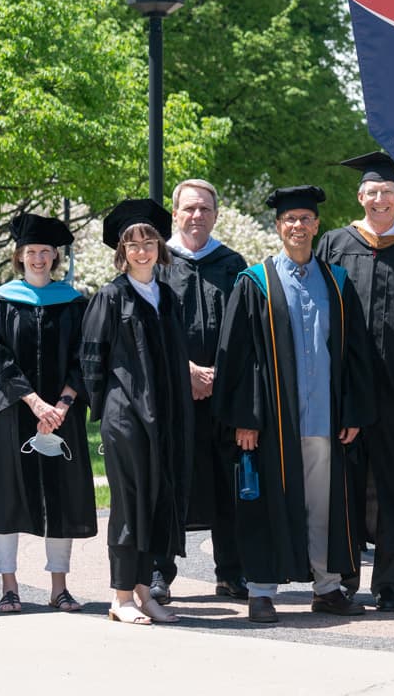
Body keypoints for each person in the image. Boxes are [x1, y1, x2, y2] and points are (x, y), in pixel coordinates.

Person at [213, 185, 375, 624]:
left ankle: (326, 588)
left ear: (317, 225)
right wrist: (245, 419)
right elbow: (238, 358)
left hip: (325, 416)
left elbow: (357, 354)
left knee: (324, 505)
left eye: (305, 218)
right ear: (278, 226)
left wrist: (354, 412)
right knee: (266, 504)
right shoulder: (255, 282)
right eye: (290, 219)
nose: (298, 226)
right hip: (271, 422)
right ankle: (262, 591)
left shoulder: (337, 283)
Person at [314, 152, 394, 612]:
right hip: (345, 391)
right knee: (344, 482)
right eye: (372, 192)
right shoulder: (333, 245)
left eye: (388, 192)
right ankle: (343, 578)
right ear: (360, 196)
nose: (379, 199)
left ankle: (390, 584)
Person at [80, 199, 192, 626]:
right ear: (121, 251)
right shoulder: (111, 297)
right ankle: (120, 595)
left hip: (166, 417)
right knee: (130, 505)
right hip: (127, 417)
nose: (142, 250)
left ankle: (145, 593)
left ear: (160, 246)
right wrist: (113, 408)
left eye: (149, 241)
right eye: (133, 244)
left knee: (158, 501)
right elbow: (92, 360)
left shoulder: (168, 296)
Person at [0, 213, 96, 615]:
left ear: (56, 256)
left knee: (62, 497)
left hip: (64, 414)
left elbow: (85, 357)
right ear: (20, 255)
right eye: (32, 251)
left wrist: (61, 403)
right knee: (8, 497)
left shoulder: (75, 303)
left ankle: (59, 587)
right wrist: (34, 403)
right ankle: (9, 586)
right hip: (13, 412)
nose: (39, 258)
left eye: (46, 251)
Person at [150, 178, 249, 605]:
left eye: (204, 209)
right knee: (169, 482)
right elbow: (147, 331)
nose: (196, 216)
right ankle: (160, 572)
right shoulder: (156, 263)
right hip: (173, 397)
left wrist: (217, 374)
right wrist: (186, 370)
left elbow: (248, 331)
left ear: (216, 214)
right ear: (175, 213)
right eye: (188, 208)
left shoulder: (232, 263)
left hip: (223, 396)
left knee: (229, 484)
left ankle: (231, 573)